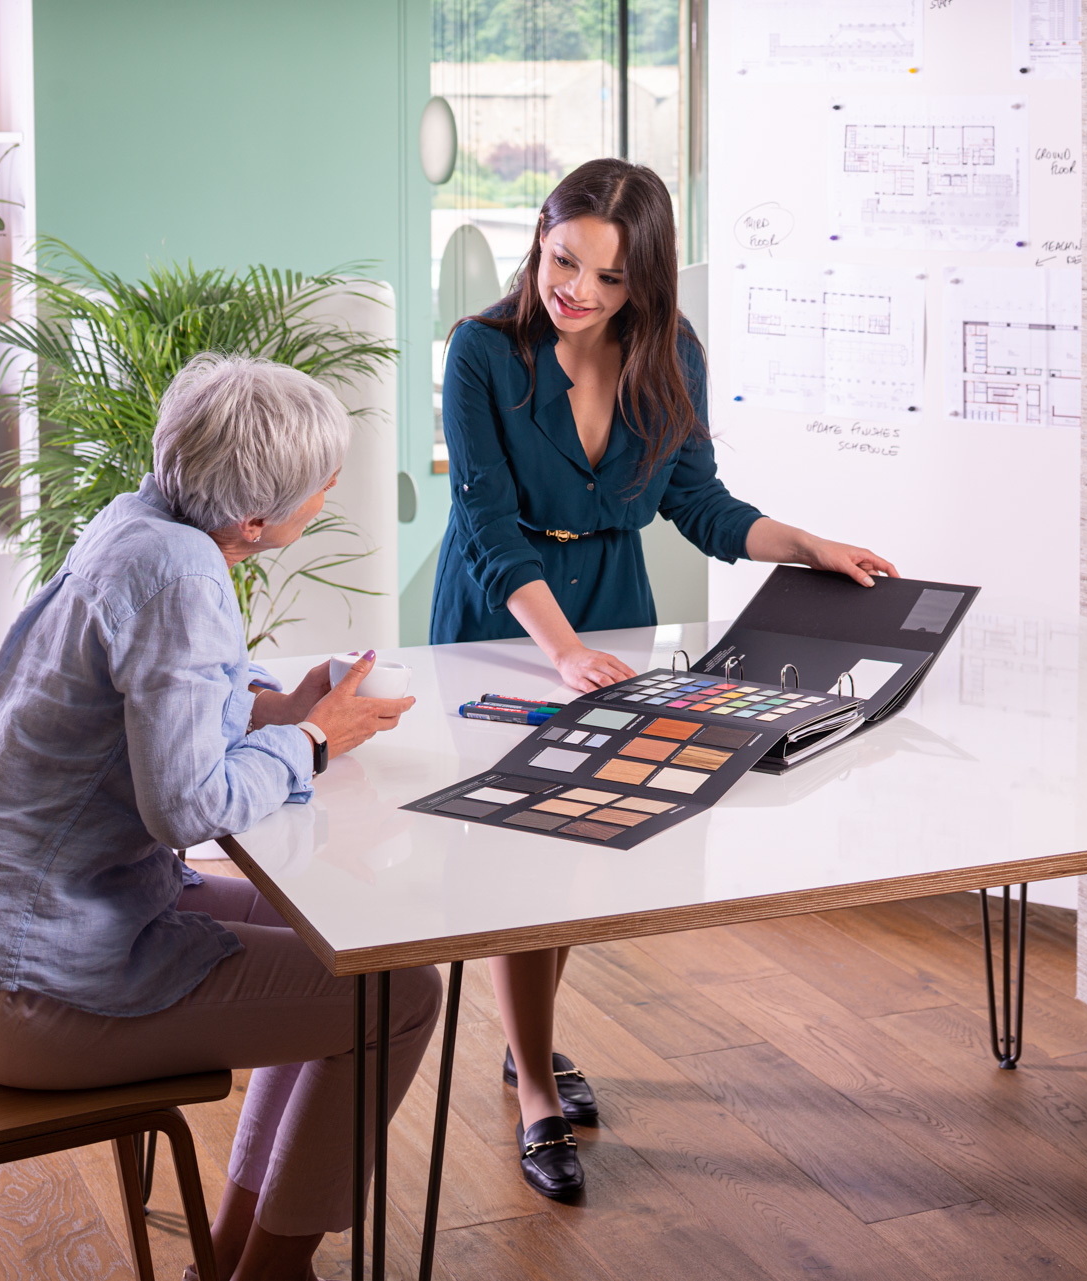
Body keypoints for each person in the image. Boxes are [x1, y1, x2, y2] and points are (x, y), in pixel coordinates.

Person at [0, 354, 430, 1281]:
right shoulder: (182, 576)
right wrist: (313, 742)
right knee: (402, 995)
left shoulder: (141, 520)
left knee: (341, 948)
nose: (333, 490)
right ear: (255, 523)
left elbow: (156, 711)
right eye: (321, 486)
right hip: (17, 988)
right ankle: (269, 1271)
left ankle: (229, 1263)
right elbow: (186, 803)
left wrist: (279, 708)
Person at [432, 158, 898, 1199]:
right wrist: (559, 654)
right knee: (523, 858)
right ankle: (538, 1091)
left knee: (583, 836)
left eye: (606, 276)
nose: (577, 292)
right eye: (563, 261)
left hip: (615, 615)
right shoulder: (481, 353)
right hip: (505, 625)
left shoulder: (669, 352)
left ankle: (526, 1045)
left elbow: (704, 507)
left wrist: (807, 544)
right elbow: (489, 531)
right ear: (541, 239)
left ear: (644, 278)